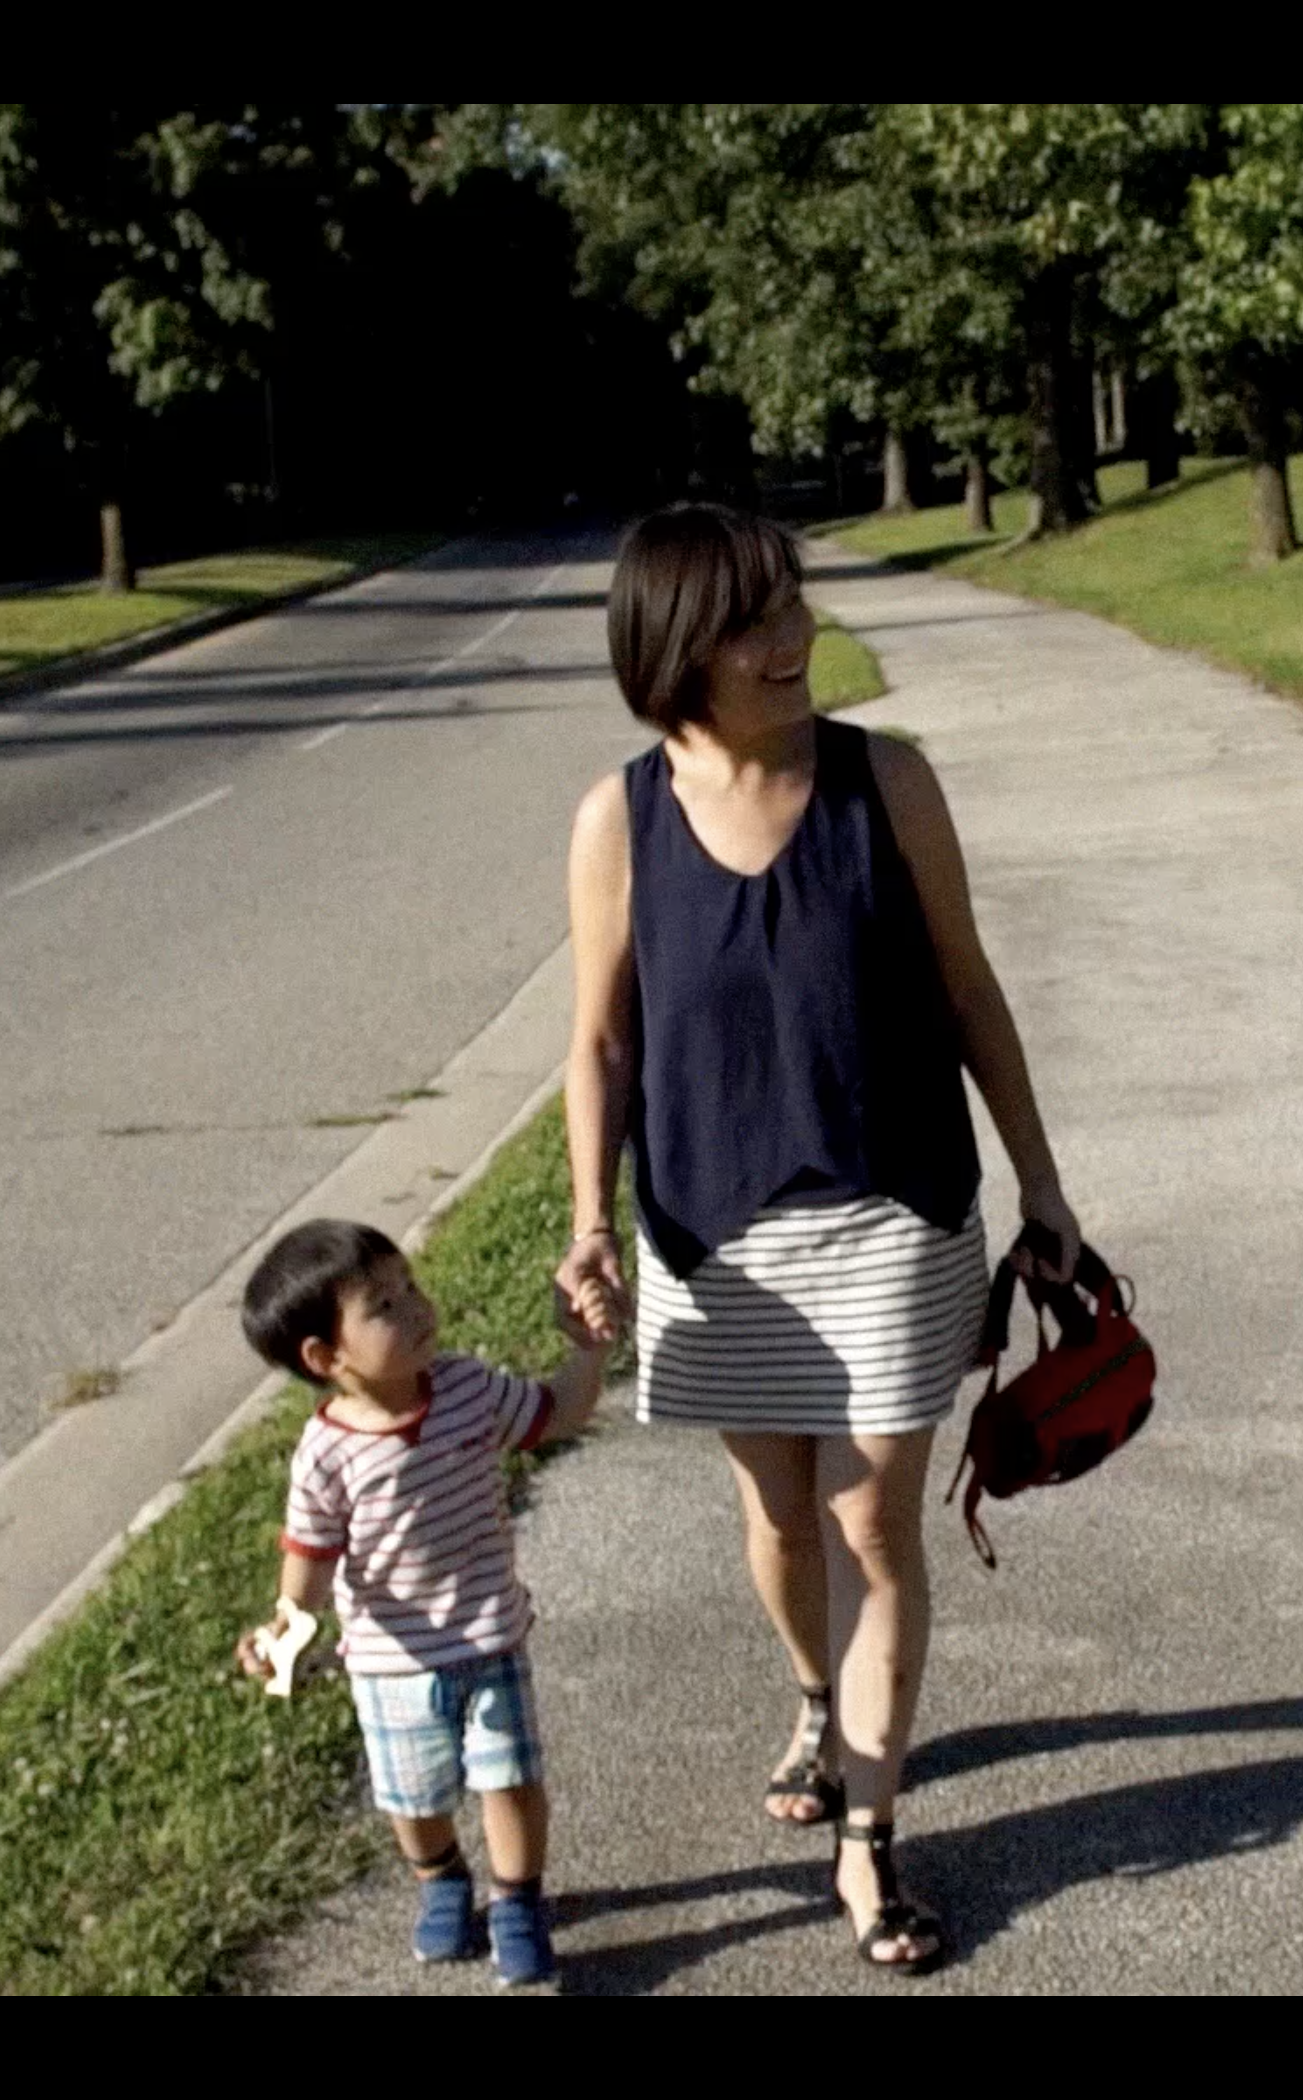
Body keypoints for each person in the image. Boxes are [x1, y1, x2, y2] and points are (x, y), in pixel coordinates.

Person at [553, 503, 1081, 1977]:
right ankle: (813, 1693)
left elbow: (969, 988)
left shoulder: (884, 781)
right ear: (676, 649)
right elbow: (601, 1041)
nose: (792, 639)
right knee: (782, 1521)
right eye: (753, 622)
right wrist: (590, 1219)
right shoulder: (620, 820)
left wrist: (1042, 1184)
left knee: (869, 1525)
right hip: (712, 1232)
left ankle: (868, 1834)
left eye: (793, 604)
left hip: (893, 1209)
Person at [236, 1218, 604, 1988]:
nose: (415, 1308)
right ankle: (441, 1880)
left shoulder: (468, 1389)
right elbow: (308, 1567)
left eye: (410, 1287)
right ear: (325, 1357)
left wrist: (588, 1350)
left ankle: (517, 1902)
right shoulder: (327, 1455)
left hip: (489, 1637)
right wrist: (283, 1635)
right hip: (390, 1662)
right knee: (412, 1798)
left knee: (510, 1781)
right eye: (383, 1305)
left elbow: (555, 1413)